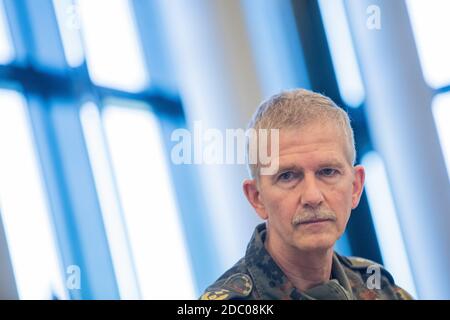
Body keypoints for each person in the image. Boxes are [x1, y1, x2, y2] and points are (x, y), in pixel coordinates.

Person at [200, 89, 413, 300]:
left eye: (328, 172)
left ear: (355, 187)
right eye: (287, 176)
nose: (312, 197)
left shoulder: (381, 289)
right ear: (257, 198)